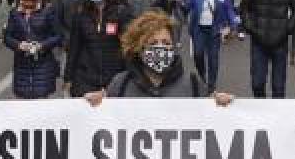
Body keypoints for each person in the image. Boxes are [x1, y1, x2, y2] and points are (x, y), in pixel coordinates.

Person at [85, 10, 234, 105]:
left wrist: (219, 104)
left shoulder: (193, 84)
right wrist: (97, 103)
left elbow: (210, 123)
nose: (160, 47)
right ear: (139, 48)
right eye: (153, 43)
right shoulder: (121, 84)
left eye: (166, 42)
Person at [65, 0, 131, 97]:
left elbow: (127, 48)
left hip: (113, 78)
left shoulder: (121, 13)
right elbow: (74, 48)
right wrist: (68, 78)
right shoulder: (81, 14)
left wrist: (128, 76)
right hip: (85, 79)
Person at [4, 0, 61, 99]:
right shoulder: (15, 12)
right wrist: (19, 45)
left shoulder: (47, 10)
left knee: (42, 108)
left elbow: (57, 36)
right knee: (25, 110)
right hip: (22, 66)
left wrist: (41, 45)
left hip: (43, 66)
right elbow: (7, 37)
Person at [185, 0, 239, 94]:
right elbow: (187, 6)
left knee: (213, 58)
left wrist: (234, 25)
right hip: (199, 29)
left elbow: (229, 9)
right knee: (198, 54)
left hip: (214, 30)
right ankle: (202, 75)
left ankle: (211, 84)